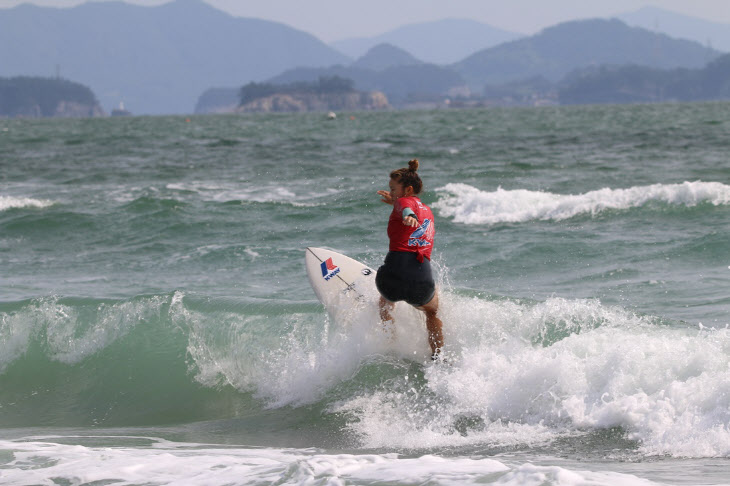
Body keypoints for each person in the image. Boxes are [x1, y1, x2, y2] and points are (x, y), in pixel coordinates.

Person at [375, 159, 445, 361]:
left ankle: (390, 343)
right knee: (432, 312)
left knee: (384, 303)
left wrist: (407, 213)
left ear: (408, 189)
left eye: (394, 189)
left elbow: (406, 208)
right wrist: (398, 204)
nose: (391, 192)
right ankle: (438, 356)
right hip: (421, 280)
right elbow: (406, 206)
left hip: (392, 278)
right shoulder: (428, 212)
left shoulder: (404, 204)